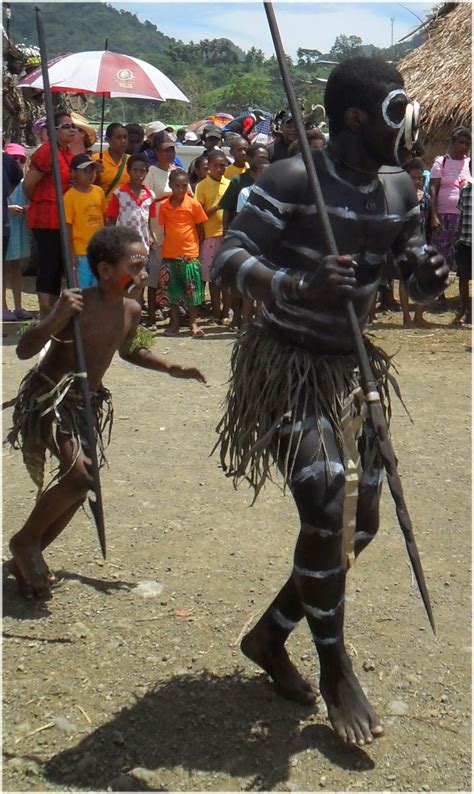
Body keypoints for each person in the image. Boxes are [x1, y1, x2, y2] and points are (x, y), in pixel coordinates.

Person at [211, 56, 449, 746]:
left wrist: (429, 277)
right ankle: (335, 663)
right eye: (396, 112)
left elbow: (411, 273)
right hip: (286, 364)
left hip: (351, 370)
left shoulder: (400, 189)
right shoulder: (289, 179)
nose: (407, 126)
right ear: (355, 117)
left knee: (361, 525)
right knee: (323, 503)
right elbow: (226, 259)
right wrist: (299, 285)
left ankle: (269, 634)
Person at [5, 226, 206, 599]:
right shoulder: (77, 304)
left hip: (86, 404)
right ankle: (25, 542)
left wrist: (171, 367)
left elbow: (130, 350)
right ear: (105, 270)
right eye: (136, 265)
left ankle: (29, 553)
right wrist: (56, 316)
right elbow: (25, 350)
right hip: (52, 400)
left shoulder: (131, 309)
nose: (143, 272)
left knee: (82, 487)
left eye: (145, 264)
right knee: (79, 476)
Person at [23, 109, 75, 317]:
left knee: (58, 266)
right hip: (46, 217)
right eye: (66, 126)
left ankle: (53, 310)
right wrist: (42, 200)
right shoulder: (47, 151)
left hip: (62, 217)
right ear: (53, 131)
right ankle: (45, 310)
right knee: (48, 263)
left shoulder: (66, 152)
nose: (72, 130)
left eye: (74, 126)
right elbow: (29, 184)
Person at [159, 169, 207, 338]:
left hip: (189, 255)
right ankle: (175, 324)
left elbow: (200, 228)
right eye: (177, 186)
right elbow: (165, 230)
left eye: (184, 186)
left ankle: (194, 323)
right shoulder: (164, 206)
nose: (181, 189)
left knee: (192, 293)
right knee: (172, 293)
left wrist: (194, 249)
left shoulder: (193, 204)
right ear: (171, 186)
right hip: (170, 254)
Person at [143, 130, 179, 328]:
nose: (170, 153)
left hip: (176, 230)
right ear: (156, 151)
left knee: (172, 274)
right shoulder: (151, 173)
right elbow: (146, 204)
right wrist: (148, 231)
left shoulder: (176, 172)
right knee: (154, 276)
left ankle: (171, 311)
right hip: (157, 228)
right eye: (166, 150)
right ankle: (150, 316)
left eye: (172, 149)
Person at [195, 148, 230, 322]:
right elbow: (199, 215)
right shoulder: (202, 186)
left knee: (227, 277)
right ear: (209, 166)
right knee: (212, 278)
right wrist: (217, 206)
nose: (220, 169)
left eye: (223, 166)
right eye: (216, 166)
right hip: (210, 236)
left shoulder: (229, 183)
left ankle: (226, 312)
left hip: (227, 236)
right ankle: (216, 311)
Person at [429, 127, 471, 272]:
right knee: (440, 254)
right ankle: (438, 292)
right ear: (453, 143)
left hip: (465, 219)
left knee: (458, 255)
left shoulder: (470, 163)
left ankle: (462, 293)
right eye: (461, 143)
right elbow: (433, 190)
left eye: (467, 144)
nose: (464, 147)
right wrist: (434, 216)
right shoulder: (441, 162)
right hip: (443, 216)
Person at [63, 154, 107, 289]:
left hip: (99, 250)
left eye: (92, 170)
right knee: (82, 288)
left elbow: (104, 217)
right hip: (81, 252)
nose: (90, 175)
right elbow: (67, 226)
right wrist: (71, 253)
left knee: (98, 286)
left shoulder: (99, 191)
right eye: (85, 171)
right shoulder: (69, 197)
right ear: (74, 172)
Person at [399, 156, 432, 326]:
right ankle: (406, 317)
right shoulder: (399, 198)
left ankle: (418, 316)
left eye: (420, 178)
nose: (417, 181)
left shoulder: (425, 197)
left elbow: (424, 222)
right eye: (413, 177)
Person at [107, 154, 157, 259]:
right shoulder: (119, 194)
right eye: (135, 170)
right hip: (122, 245)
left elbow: (148, 221)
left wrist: (151, 234)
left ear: (147, 172)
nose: (138, 174)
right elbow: (111, 220)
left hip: (142, 244)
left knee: (142, 273)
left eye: (142, 171)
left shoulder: (150, 196)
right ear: (128, 171)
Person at [3, 144, 33, 321]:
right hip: (6, 227)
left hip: (19, 228)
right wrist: (7, 208)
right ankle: (3, 306)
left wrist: (28, 208)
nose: (17, 163)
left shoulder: (24, 183)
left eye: (21, 160)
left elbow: (31, 200)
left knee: (16, 268)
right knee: (3, 269)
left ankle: (19, 306)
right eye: (13, 159)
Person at [92, 123, 129, 208]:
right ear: (108, 140)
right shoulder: (97, 159)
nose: (123, 141)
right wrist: (97, 174)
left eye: (125, 137)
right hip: (102, 209)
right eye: (118, 137)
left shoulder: (131, 160)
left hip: (125, 209)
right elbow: (91, 188)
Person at [454, 167, 472, 325]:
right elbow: (461, 215)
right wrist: (457, 238)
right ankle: (465, 310)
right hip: (466, 241)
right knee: (464, 278)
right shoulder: (465, 191)